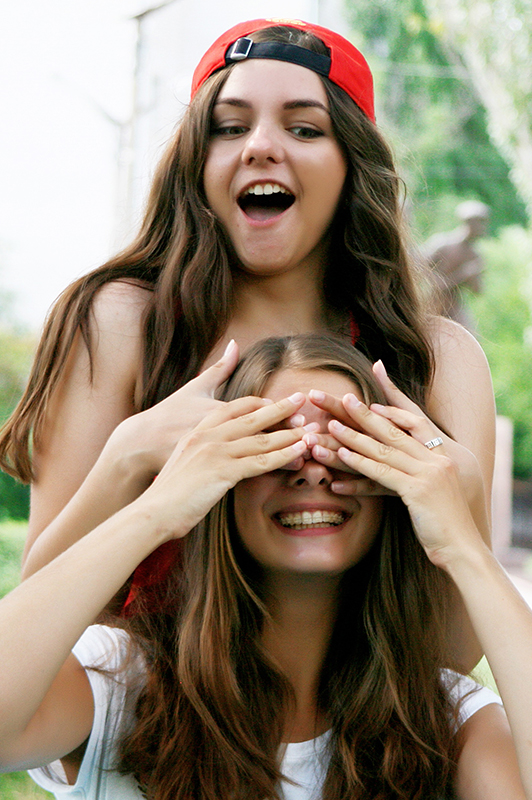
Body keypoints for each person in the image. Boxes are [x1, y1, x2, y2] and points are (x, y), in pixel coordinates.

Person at [0, 20, 495, 666]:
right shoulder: (120, 323)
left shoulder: (435, 358)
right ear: (197, 163)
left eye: (304, 128)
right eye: (229, 128)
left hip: (352, 751)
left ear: (352, 163)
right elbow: (37, 621)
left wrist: (467, 497)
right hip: (144, 741)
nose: (260, 147)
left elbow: (451, 660)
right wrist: (131, 456)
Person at [0, 334, 529, 800]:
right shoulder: (123, 682)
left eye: (345, 445)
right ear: (215, 480)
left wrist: (465, 546)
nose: (311, 471)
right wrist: (154, 507)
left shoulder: (445, 718)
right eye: (274, 445)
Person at [424, 200, 490, 330]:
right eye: (481, 223)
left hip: (455, 309)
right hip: (433, 305)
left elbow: (478, 291)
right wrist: (461, 275)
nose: (483, 228)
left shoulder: (475, 255)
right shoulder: (442, 244)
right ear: (470, 223)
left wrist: (473, 276)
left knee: (469, 337)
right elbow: (420, 270)